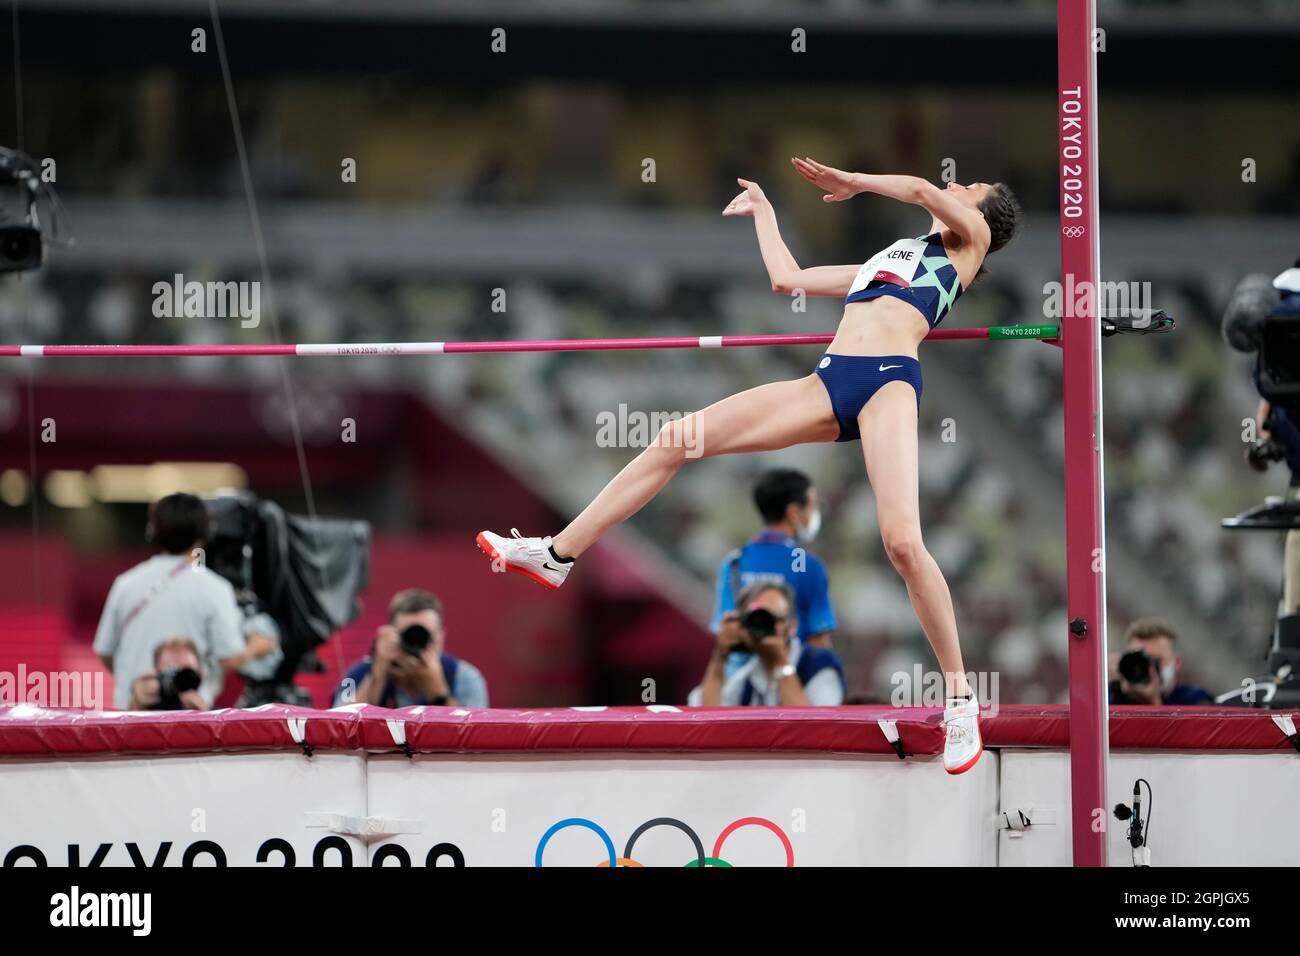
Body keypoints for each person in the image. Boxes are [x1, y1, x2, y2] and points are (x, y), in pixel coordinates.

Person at [478, 158, 1020, 773]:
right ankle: (557, 556)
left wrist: (856, 182)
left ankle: (958, 699)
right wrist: (766, 213)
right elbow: (787, 280)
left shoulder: (968, 244)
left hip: (889, 380)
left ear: (982, 215)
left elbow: (922, 189)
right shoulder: (892, 257)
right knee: (676, 439)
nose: (957, 185)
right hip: (829, 381)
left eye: (971, 188)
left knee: (901, 542)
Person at [94, 493, 277, 709]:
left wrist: (135, 677)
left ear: (153, 531)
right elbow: (228, 657)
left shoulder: (125, 583)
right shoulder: (215, 588)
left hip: (131, 714)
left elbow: (105, 651)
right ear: (206, 533)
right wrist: (257, 647)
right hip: (188, 718)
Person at [712, 469, 836, 656]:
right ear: (794, 512)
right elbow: (818, 639)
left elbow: (723, 633)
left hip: (742, 678)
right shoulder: (809, 566)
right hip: (790, 677)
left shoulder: (735, 562)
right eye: (813, 505)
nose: (816, 512)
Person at [690, 581, 845, 706]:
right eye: (755, 618)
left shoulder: (820, 664)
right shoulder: (747, 680)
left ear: (792, 626)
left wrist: (781, 663)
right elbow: (707, 719)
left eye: (771, 618)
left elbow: (818, 729)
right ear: (743, 625)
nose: (763, 625)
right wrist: (720, 656)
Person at [332, 589, 488, 708]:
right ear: (390, 634)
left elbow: (475, 740)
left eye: (424, 636)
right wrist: (377, 674)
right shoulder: (356, 675)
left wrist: (439, 694)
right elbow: (340, 726)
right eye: (408, 635)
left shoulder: (465, 677)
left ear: (441, 637)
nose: (416, 645)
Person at [1108, 618, 1212, 706]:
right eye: (1140, 661)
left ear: (1177, 663)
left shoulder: (1195, 701)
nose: (1149, 668)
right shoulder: (1113, 697)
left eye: (1156, 660)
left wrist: (1153, 702)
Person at [128, 638, 207, 711]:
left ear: (200, 675)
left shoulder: (215, 716)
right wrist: (137, 704)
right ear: (156, 675)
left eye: (186, 674)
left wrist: (202, 718)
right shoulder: (147, 710)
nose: (179, 680)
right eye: (171, 672)